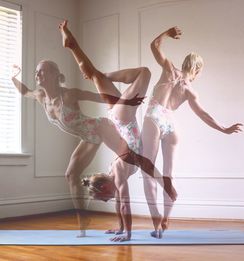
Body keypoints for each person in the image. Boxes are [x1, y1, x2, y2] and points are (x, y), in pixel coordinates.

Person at [58, 20, 177, 241]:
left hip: (124, 118)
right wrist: (120, 228)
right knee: (94, 75)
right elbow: (120, 207)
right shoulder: (114, 172)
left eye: (104, 197)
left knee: (145, 72)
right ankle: (71, 44)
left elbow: (125, 206)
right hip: (118, 116)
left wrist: (128, 234)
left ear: (105, 186)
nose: (108, 200)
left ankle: (104, 72)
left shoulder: (119, 172)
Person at [140, 26, 243, 238]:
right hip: (171, 123)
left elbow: (154, 45)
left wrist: (167, 33)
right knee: (169, 174)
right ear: (197, 70)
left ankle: (157, 223)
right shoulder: (190, 90)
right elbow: (204, 115)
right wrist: (224, 129)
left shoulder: (168, 69)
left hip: (154, 117)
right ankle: (167, 216)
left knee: (148, 171)